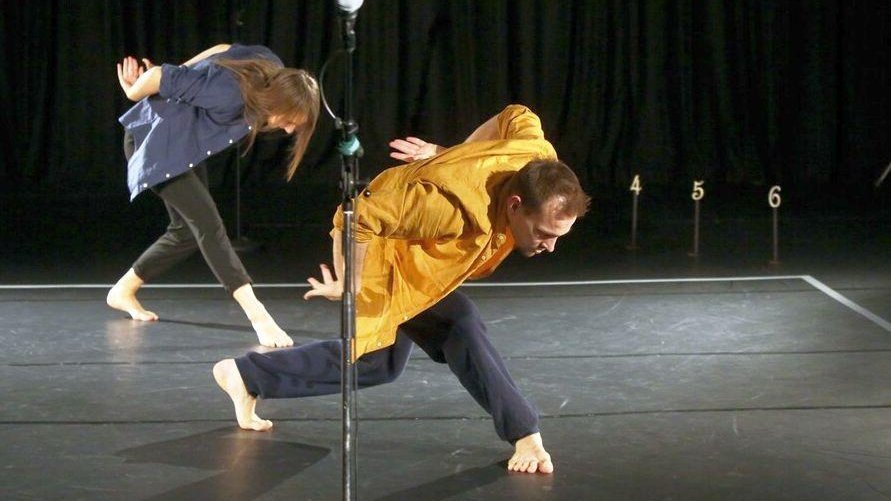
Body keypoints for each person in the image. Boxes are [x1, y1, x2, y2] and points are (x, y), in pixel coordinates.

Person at [213, 105, 590, 474]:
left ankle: (247, 376)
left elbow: (517, 114)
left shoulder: (534, 153)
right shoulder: (449, 209)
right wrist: (350, 283)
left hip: (420, 259)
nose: (550, 246)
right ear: (515, 205)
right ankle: (525, 434)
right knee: (460, 323)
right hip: (384, 255)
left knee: (379, 362)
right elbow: (357, 217)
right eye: (544, 233)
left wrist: (448, 155)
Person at [107, 43, 320, 348]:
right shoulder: (228, 93)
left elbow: (223, 48)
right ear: (278, 98)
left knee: (186, 231)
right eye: (288, 121)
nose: (287, 131)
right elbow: (156, 77)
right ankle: (259, 317)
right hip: (154, 146)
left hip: (182, 143)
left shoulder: (270, 64)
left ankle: (122, 290)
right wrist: (134, 91)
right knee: (209, 226)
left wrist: (185, 74)